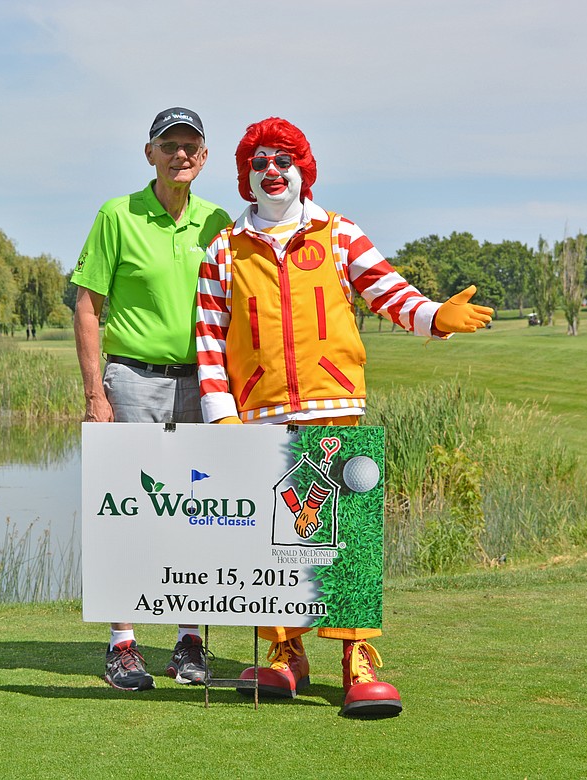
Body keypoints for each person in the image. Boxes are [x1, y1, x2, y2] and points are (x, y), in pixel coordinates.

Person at [195, 117, 493, 717]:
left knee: (347, 538)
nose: (272, 172)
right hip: (260, 417)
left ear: (303, 170)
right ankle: (285, 653)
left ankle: (357, 659)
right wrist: (222, 417)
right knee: (277, 542)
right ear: (246, 176)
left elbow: (387, 291)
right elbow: (209, 338)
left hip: (337, 406)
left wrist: (435, 317)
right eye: (260, 163)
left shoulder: (338, 233)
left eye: (284, 161)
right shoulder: (224, 250)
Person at [72, 107, 232, 691]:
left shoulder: (219, 220)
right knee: (129, 509)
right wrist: (96, 393)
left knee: (200, 510)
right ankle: (123, 645)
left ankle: (189, 641)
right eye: (170, 145)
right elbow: (86, 305)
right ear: (150, 154)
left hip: (205, 381)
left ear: (204, 157)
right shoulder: (117, 215)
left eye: (191, 145)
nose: (180, 154)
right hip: (133, 380)